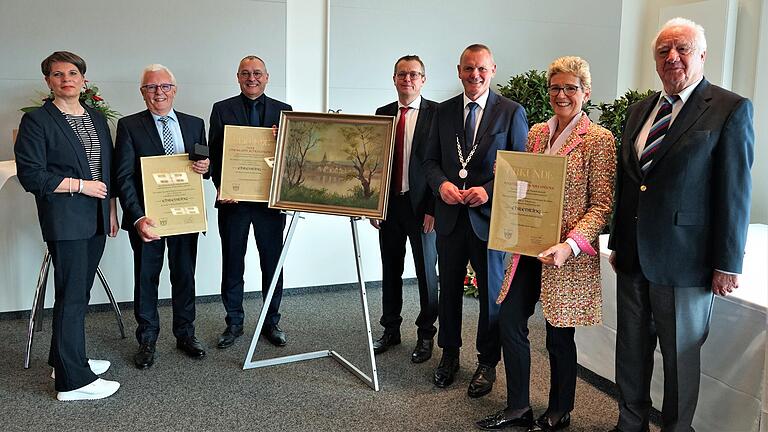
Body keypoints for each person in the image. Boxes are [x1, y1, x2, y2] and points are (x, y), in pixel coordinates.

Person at [608, 17, 754, 432]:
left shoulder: (730, 108)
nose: (672, 57)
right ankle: (629, 423)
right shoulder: (639, 111)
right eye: (663, 51)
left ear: (702, 55)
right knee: (630, 352)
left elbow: (734, 193)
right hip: (634, 255)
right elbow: (629, 184)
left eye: (683, 49)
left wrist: (728, 262)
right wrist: (618, 241)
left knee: (679, 358)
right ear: (655, 60)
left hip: (686, 262)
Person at [476, 56, 616, 431]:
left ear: (585, 92)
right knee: (509, 320)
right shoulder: (537, 133)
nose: (562, 94)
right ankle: (519, 407)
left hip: (565, 255)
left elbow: (601, 206)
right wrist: (505, 178)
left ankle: (559, 410)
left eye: (571, 88)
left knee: (558, 334)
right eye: (556, 87)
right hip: (528, 246)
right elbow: (525, 185)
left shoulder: (599, 140)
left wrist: (570, 245)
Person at [14, 51, 120, 401]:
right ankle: (74, 383)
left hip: (95, 219)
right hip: (66, 220)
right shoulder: (38, 121)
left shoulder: (94, 117)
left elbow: (106, 169)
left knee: (78, 294)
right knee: (72, 297)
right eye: (57, 74)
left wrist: (110, 211)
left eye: (72, 73)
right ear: (48, 81)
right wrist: (80, 185)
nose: (66, 79)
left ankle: (63, 360)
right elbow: (32, 176)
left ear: (83, 80)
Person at [423, 44, 528, 397]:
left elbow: (520, 169)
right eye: (468, 69)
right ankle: (449, 354)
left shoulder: (511, 113)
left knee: (491, 297)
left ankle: (487, 361)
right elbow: (430, 161)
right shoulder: (444, 111)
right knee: (449, 291)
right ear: (458, 71)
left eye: (481, 69)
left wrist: (489, 190)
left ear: (493, 69)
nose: (475, 75)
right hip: (450, 218)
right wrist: (442, 185)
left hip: (489, 219)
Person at [115, 64, 210, 369]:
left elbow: (203, 167)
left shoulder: (195, 124)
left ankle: (185, 334)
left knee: (184, 275)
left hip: (184, 216)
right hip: (147, 221)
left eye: (164, 86)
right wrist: (138, 217)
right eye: (151, 87)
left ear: (175, 89)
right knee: (146, 278)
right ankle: (147, 339)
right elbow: (124, 177)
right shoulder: (129, 126)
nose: (159, 93)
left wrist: (205, 168)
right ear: (142, 92)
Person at [209, 55, 292, 349]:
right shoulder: (221, 109)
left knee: (272, 264)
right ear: (238, 77)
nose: (251, 78)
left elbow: (291, 160)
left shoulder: (285, 111)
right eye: (245, 73)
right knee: (233, 263)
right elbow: (214, 155)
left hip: (270, 204)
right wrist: (222, 186)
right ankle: (234, 323)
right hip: (234, 203)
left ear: (267, 77)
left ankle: (272, 322)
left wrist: (285, 140)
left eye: (257, 73)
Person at [370, 55, 439, 363]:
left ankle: (426, 335)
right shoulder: (382, 114)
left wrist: (434, 209)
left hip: (422, 207)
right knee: (390, 270)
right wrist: (373, 204)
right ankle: (391, 329)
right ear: (394, 78)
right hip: (390, 207)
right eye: (402, 74)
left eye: (414, 74)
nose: (407, 79)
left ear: (423, 79)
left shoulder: (437, 114)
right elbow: (374, 163)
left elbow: (442, 166)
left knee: (426, 273)